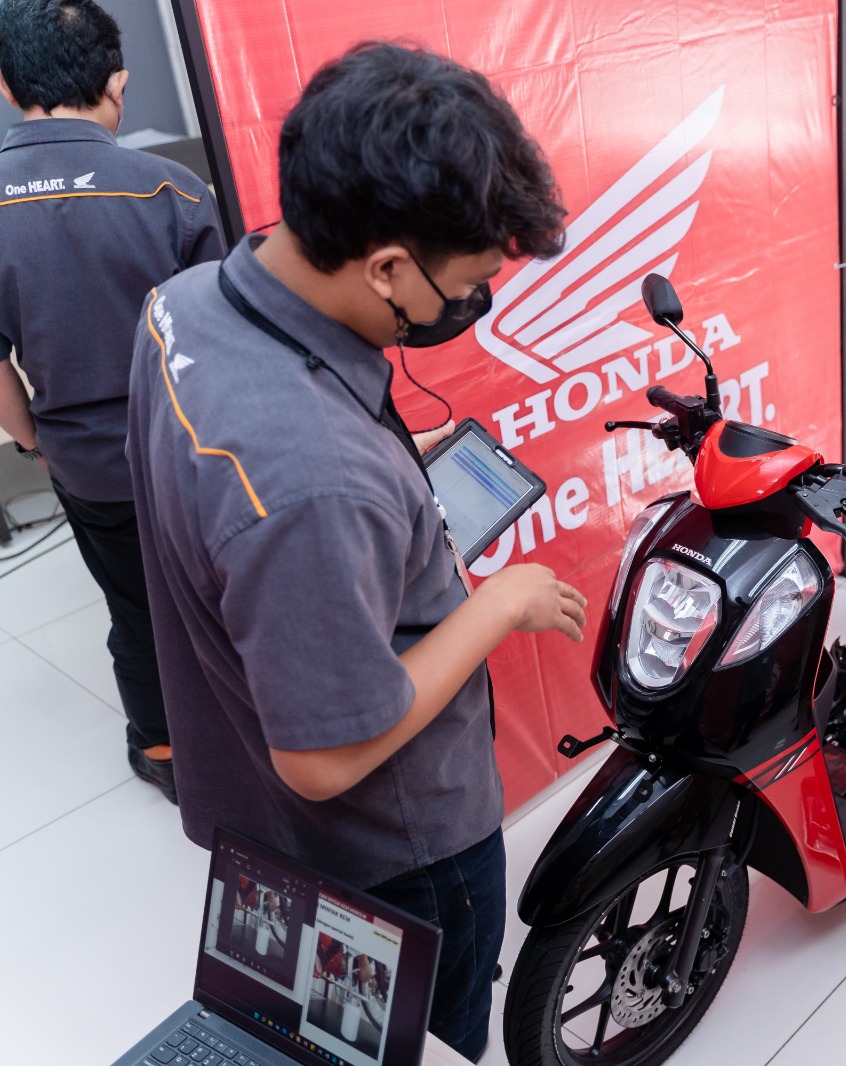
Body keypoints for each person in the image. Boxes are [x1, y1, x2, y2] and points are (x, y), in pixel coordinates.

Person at [123, 43, 581, 1061]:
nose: (472, 306)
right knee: (416, 1047)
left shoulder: (184, 303)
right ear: (386, 268)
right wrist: (498, 605)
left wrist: (383, 481)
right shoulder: (313, 485)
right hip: (397, 858)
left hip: (255, 810)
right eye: (468, 284)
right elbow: (324, 759)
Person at [0, 0, 225, 804]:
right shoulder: (175, 189)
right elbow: (224, 339)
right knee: (218, 598)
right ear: (118, 84)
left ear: (7, 86)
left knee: (134, 609)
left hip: (86, 464)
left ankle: (162, 752)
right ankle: (242, 738)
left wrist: (34, 439)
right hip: (191, 452)